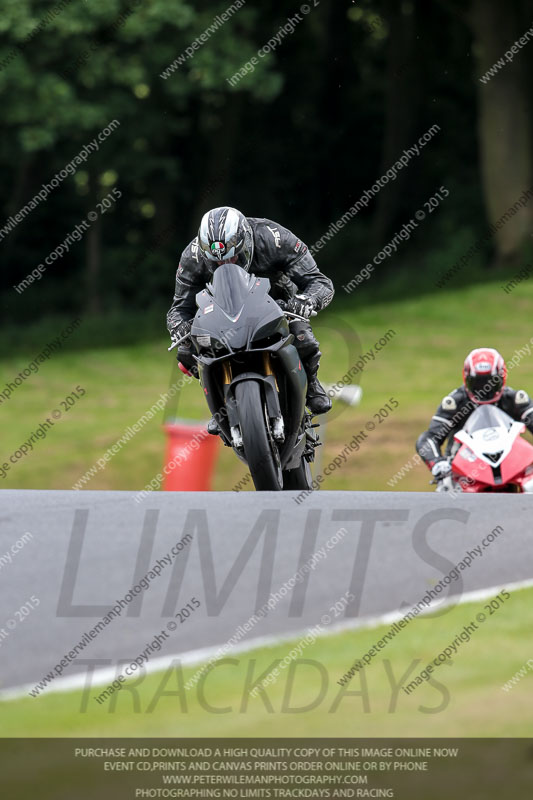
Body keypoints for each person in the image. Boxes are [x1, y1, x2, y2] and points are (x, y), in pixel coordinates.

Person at [166, 206, 335, 421]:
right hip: (221, 312)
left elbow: (320, 282)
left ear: (245, 242)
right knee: (186, 351)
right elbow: (179, 309)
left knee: (303, 337)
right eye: (217, 262)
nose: (225, 263)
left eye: (233, 258)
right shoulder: (192, 256)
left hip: (276, 302)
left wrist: (307, 301)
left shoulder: (274, 237)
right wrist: (178, 326)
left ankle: (311, 384)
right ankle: (219, 404)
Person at [416, 347, 533, 486]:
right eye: (477, 383)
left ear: (503, 378)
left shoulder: (514, 399)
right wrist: (436, 462)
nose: (484, 390)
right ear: (466, 380)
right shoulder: (455, 402)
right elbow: (430, 437)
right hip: (462, 473)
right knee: (447, 487)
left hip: (511, 467)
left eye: (491, 383)